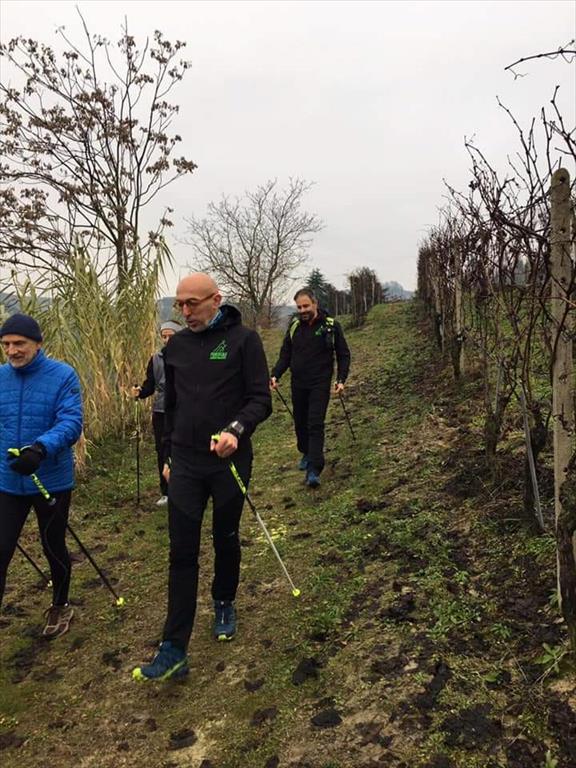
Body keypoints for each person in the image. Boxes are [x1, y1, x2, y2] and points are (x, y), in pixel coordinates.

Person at [133, 273, 272, 682]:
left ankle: (224, 600)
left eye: (192, 303)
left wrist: (236, 430)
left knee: (225, 536)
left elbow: (260, 400)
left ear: (216, 300)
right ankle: (174, 647)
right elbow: (172, 408)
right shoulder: (175, 347)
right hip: (186, 464)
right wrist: (169, 454)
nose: (185, 311)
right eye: (180, 304)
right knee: (181, 551)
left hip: (228, 460)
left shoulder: (244, 341)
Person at [0, 313, 83, 638]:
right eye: (6, 344)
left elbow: (71, 422)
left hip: (50, 479)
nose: (12, 351)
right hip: (8, 480)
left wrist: (40, 448)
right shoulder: (1, 377)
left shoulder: (62, 375)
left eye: (19, 343)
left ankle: (60, 604)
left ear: (38, 343)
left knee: (52, 544)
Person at [270, 288, 351, 488]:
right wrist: (275, 374)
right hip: (298, 383)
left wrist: (341, 379)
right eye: (299, 307)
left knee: (315, 423)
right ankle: (306, 452)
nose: (302, 310)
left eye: (306, 306)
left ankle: (314, 468)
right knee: (300, 423)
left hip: (320, 383)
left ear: (315, 304)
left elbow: (343, 355)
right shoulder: (294, 326)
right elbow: (285, 355)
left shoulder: (331, 326)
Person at [131, 321, 183, 506]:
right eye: (164, 336)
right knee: (162, 450)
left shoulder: (188, 356)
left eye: (171, 336)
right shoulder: (155, 359)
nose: (167, 339)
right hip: (161, 410)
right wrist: (140, 392)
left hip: (183, 409)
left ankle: (187, 487)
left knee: (183, 447)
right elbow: (150, 385)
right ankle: (166, 491)